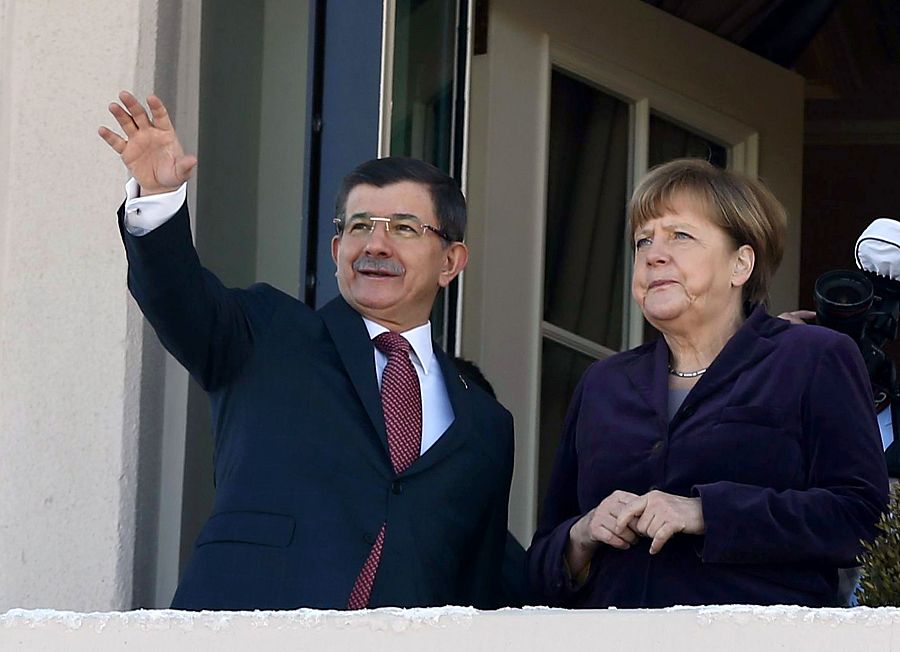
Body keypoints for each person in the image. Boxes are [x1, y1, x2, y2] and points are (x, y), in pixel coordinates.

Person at [99, 91, 514, 610]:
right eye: (359, 226)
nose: (377, 245)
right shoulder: (267, 334)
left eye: (404, 228)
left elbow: (488, 579)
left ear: (451, 262)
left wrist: (580, 545)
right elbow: (177, 298)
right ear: (337, 251)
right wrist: (158, 199)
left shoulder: (486, 421)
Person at [527, 158, 889, 608]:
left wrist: (706, 513)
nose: (654, 254)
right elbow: (540, 563)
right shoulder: (603, 383)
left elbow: (860, 520)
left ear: (741, 264)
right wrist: (582, 535)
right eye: (643, 241)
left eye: (680, 235)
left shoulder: (813, 358)